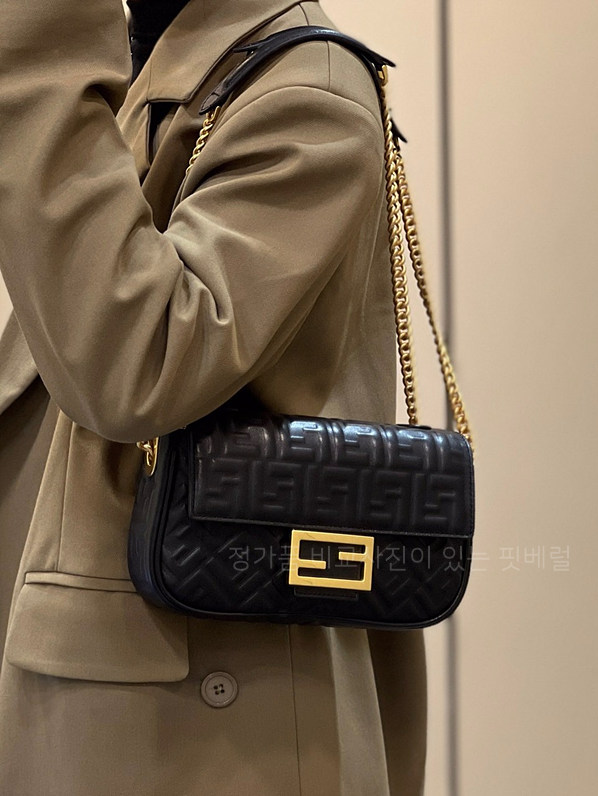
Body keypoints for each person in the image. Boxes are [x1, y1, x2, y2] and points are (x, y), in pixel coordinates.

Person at [0, 0, 428, 794]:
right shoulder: (158, 69)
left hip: (207, 722)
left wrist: (40, 40)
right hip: (129, 699)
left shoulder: (305, 93)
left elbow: (135, 365)